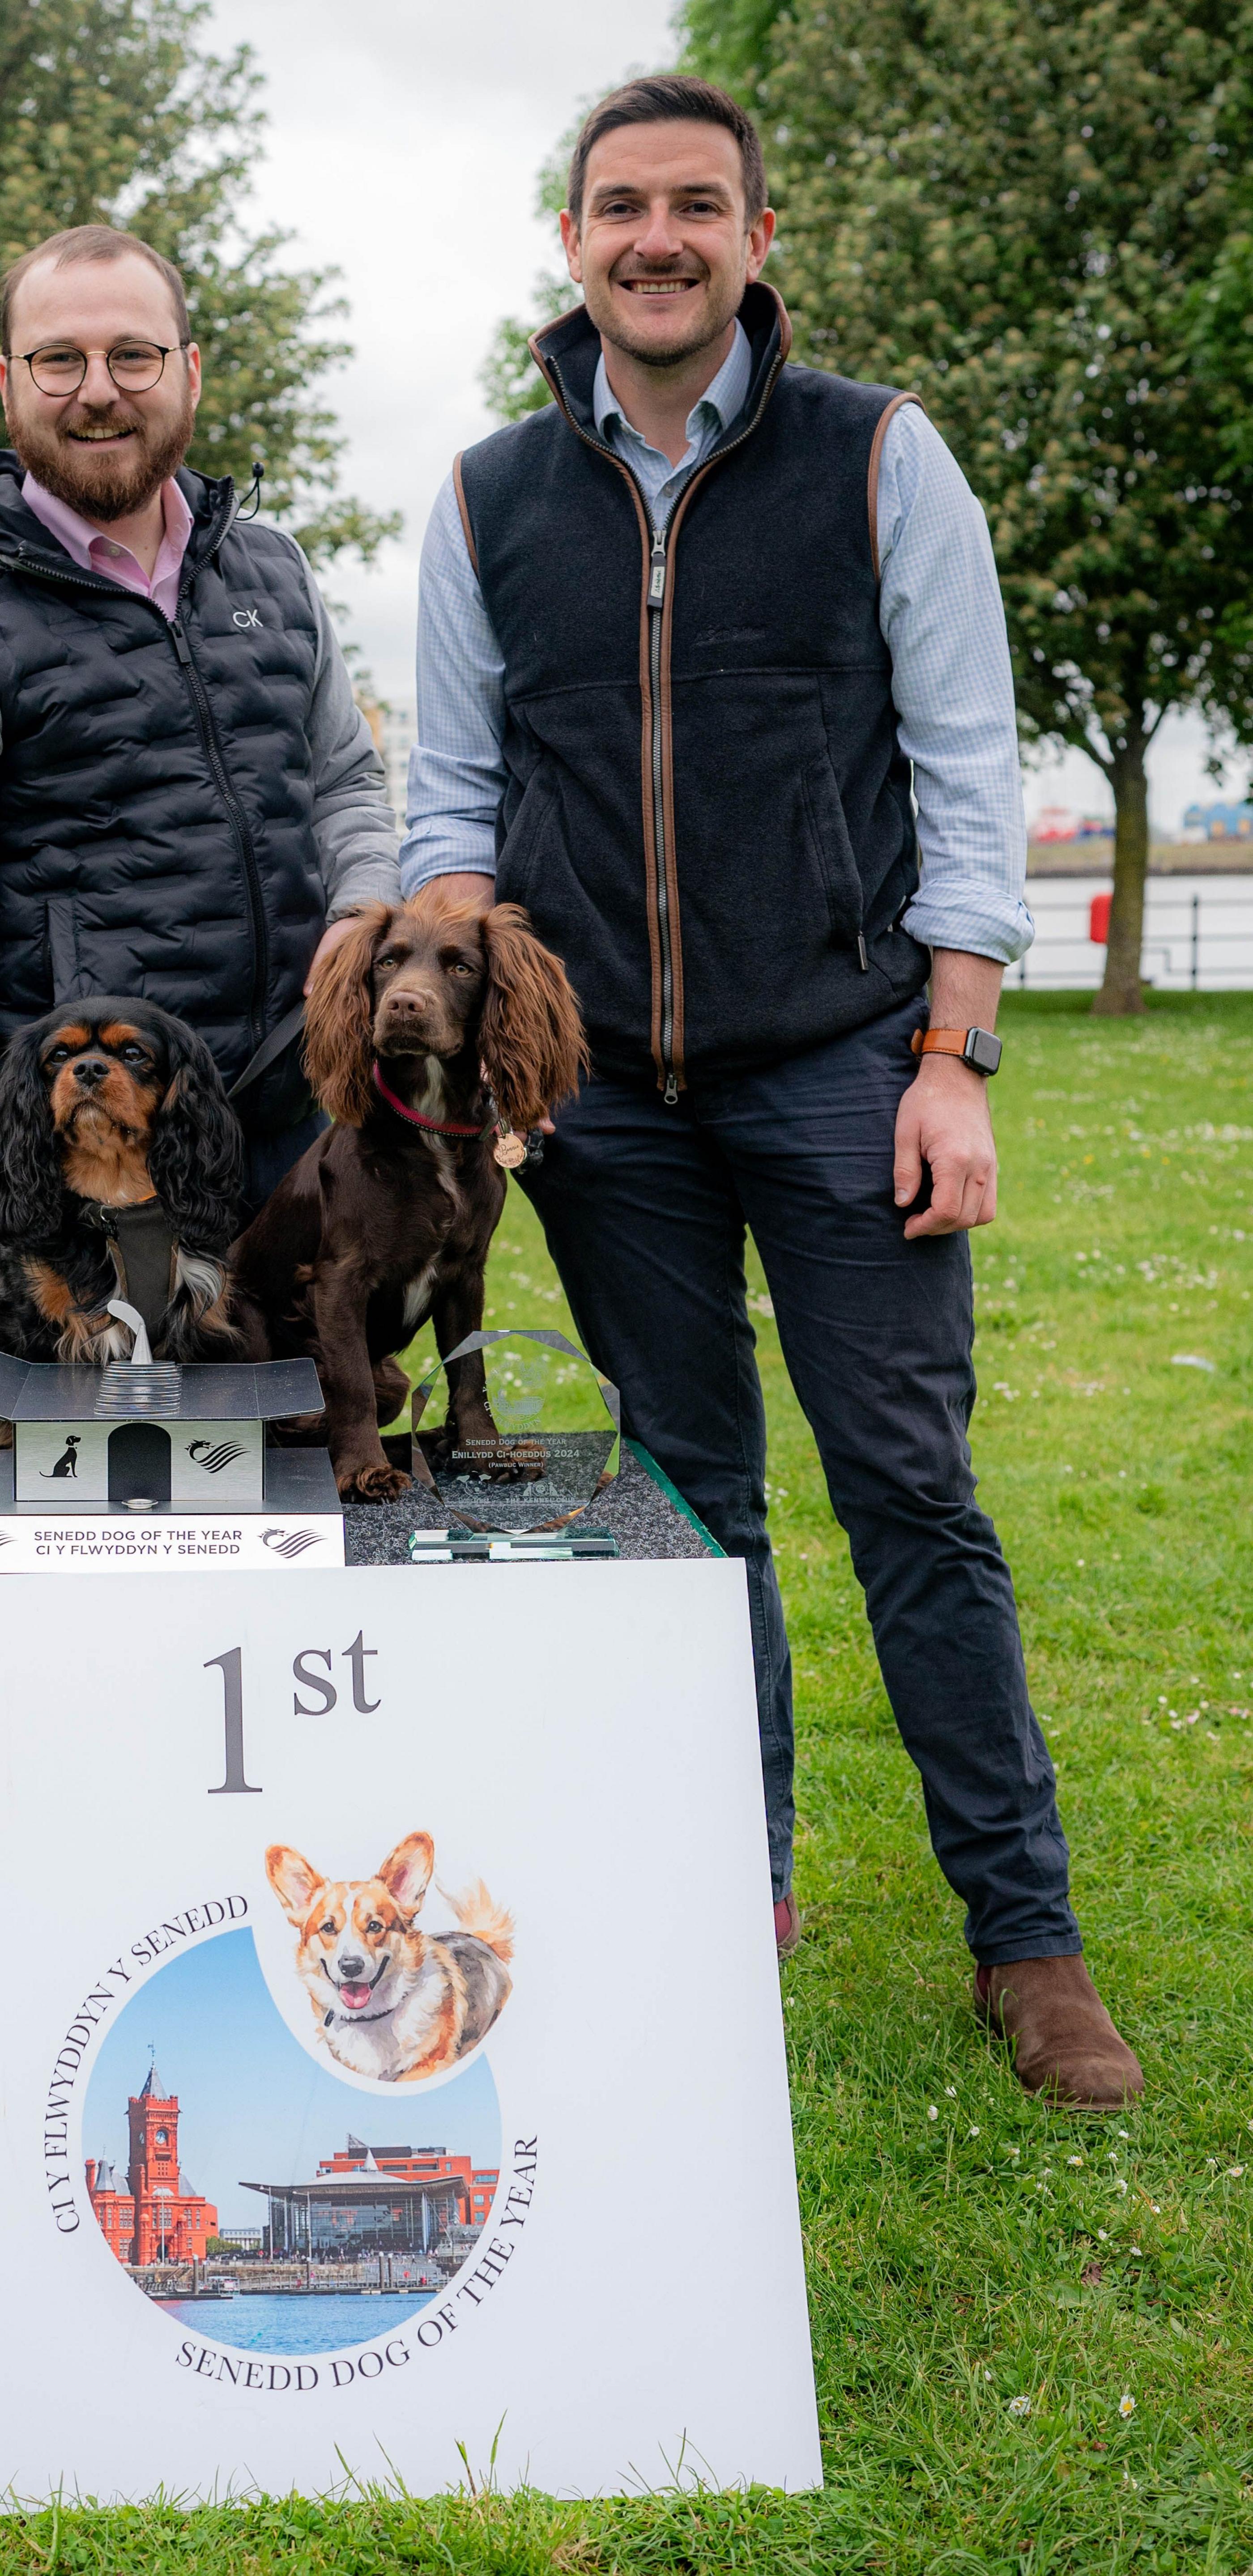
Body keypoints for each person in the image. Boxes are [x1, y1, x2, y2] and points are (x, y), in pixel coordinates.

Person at [402, 75, 1142, 2107]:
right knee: (688, 1501)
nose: (657, 237)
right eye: (620, 206)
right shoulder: (483, 499)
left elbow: (971, 768)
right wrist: (484, 1061)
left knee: (912, 1496)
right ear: (573, 245)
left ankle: (1025, 1936)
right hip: (608, 1116)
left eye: (696, 206)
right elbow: (452, 800)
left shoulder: (879, 458)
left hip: (844, 1069)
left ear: (756, 238)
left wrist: (952, 1053)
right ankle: (736, 1883)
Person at [0, 224, 399, 1294]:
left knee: (315, 1448)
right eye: (60, 359)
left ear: (188, 372)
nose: (98, 389)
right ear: (10, 384)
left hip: (300, 1127)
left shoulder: (276, 570)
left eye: (132, 355)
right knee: (109, 1459)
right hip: (95, 1158)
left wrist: (358, 937)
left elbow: (345, 783)